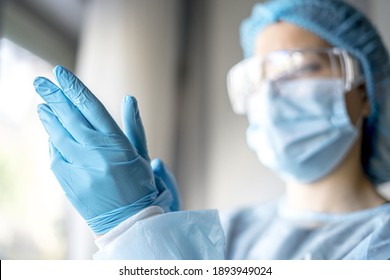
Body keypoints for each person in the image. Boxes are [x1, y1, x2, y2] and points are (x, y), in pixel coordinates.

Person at [33, 0, 390, 259]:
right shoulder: (229, 230)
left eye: (299, 67)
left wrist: (135, 232)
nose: (270, 94)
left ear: (365, 91)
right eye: (258, 77)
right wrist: (161, 241)